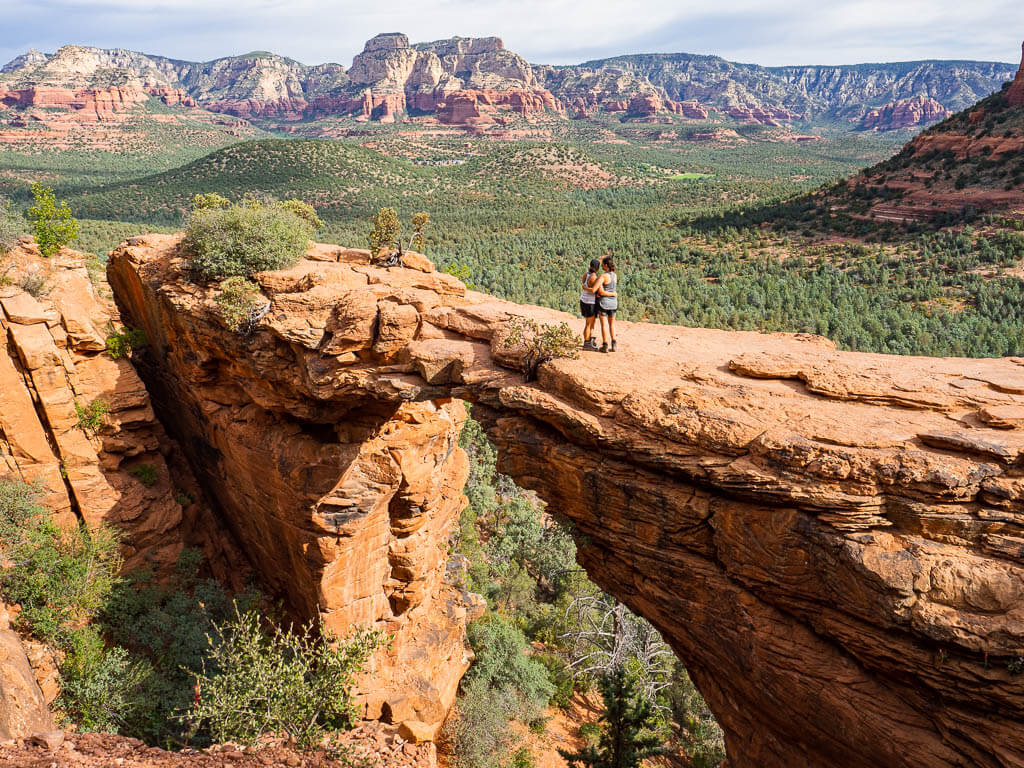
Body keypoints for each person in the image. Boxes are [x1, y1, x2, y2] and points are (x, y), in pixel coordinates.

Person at [594, 255, 618, 352]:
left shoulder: (603, 276)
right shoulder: (615, 275)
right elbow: (612, 289)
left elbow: (599, 291)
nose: (602, 266)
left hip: (604, 303)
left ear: (606, 265)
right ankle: (614, 343)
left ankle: (605, 345)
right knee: (612, 324)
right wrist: (613, 294)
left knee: (604, 325)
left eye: (603, 265)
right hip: (613, 303)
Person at [580, 258, 601, 351]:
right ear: (598, 268)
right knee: (588, 324)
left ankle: (589, 339)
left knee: (591, 323)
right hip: (590, 302)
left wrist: (585, 288)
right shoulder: (594, 277)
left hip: (583, 300)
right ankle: (587, 343)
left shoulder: (586, 274)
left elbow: (583, 284)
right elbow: (594, 290)